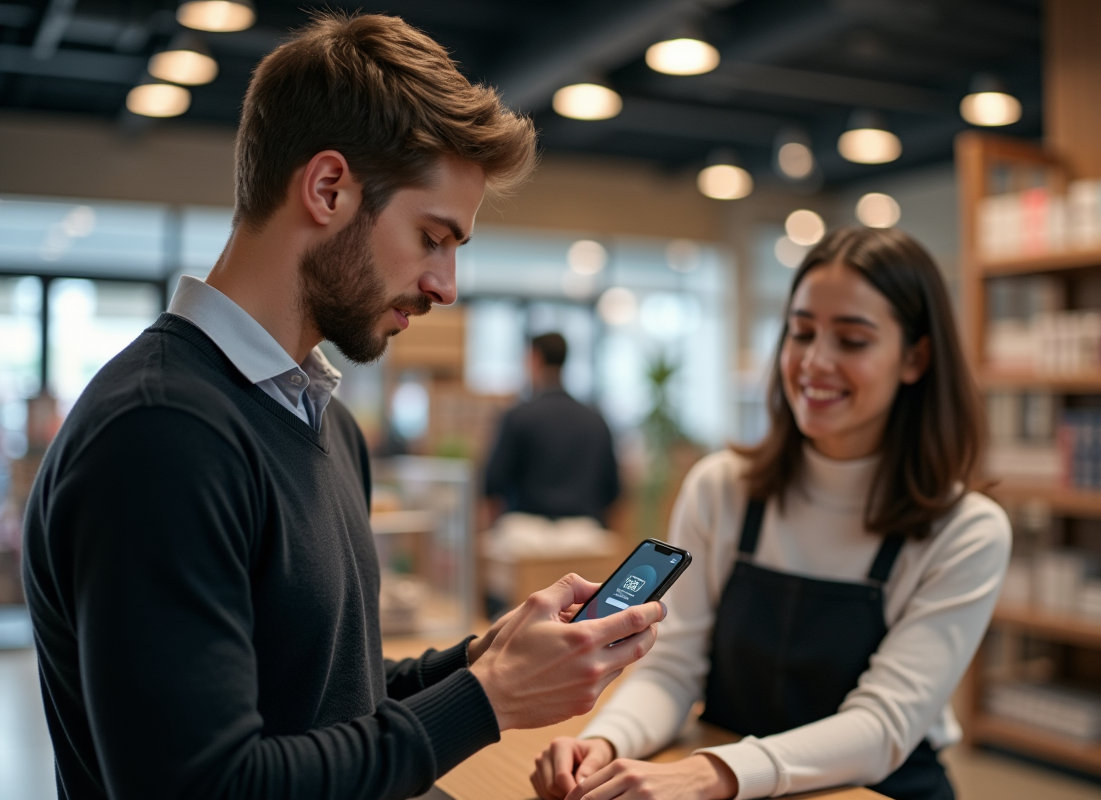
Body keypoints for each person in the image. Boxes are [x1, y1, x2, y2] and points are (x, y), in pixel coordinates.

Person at [22, 13, 665, 800]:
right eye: (433, 237)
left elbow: (326, 697)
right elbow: (204, 785)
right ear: (328, 189)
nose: (445, 286)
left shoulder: (320, 418)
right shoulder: (160, 434)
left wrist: (476, 662)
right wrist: (486, 702)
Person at [533, 227, 1011, 800]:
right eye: (801, 332)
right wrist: (605, 744)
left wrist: (712, 773)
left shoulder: (966, 531)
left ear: (915, 357)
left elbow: (882, 728)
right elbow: (674, 669)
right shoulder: (722, 489)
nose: (814, 362)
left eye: (852, 341)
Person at [485, 332, 620, 526]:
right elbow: (612, 492)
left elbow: (493, 485)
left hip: (527, 534)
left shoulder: (518, 417)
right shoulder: (596, 420)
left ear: (535, 358)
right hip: (586, 534)